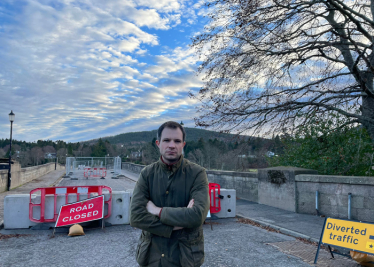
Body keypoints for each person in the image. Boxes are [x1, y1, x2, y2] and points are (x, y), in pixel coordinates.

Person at [130, 121, 210, 267]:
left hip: (185, 258)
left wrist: (157, 211)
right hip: (152, 258)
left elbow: (197, 216)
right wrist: (175, 226)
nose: (172, 145)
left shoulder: (197, 173)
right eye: (166, 140)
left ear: (183, 145)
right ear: (158, 143)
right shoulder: (147, 174)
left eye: (177, 141)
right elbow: (136, 217)